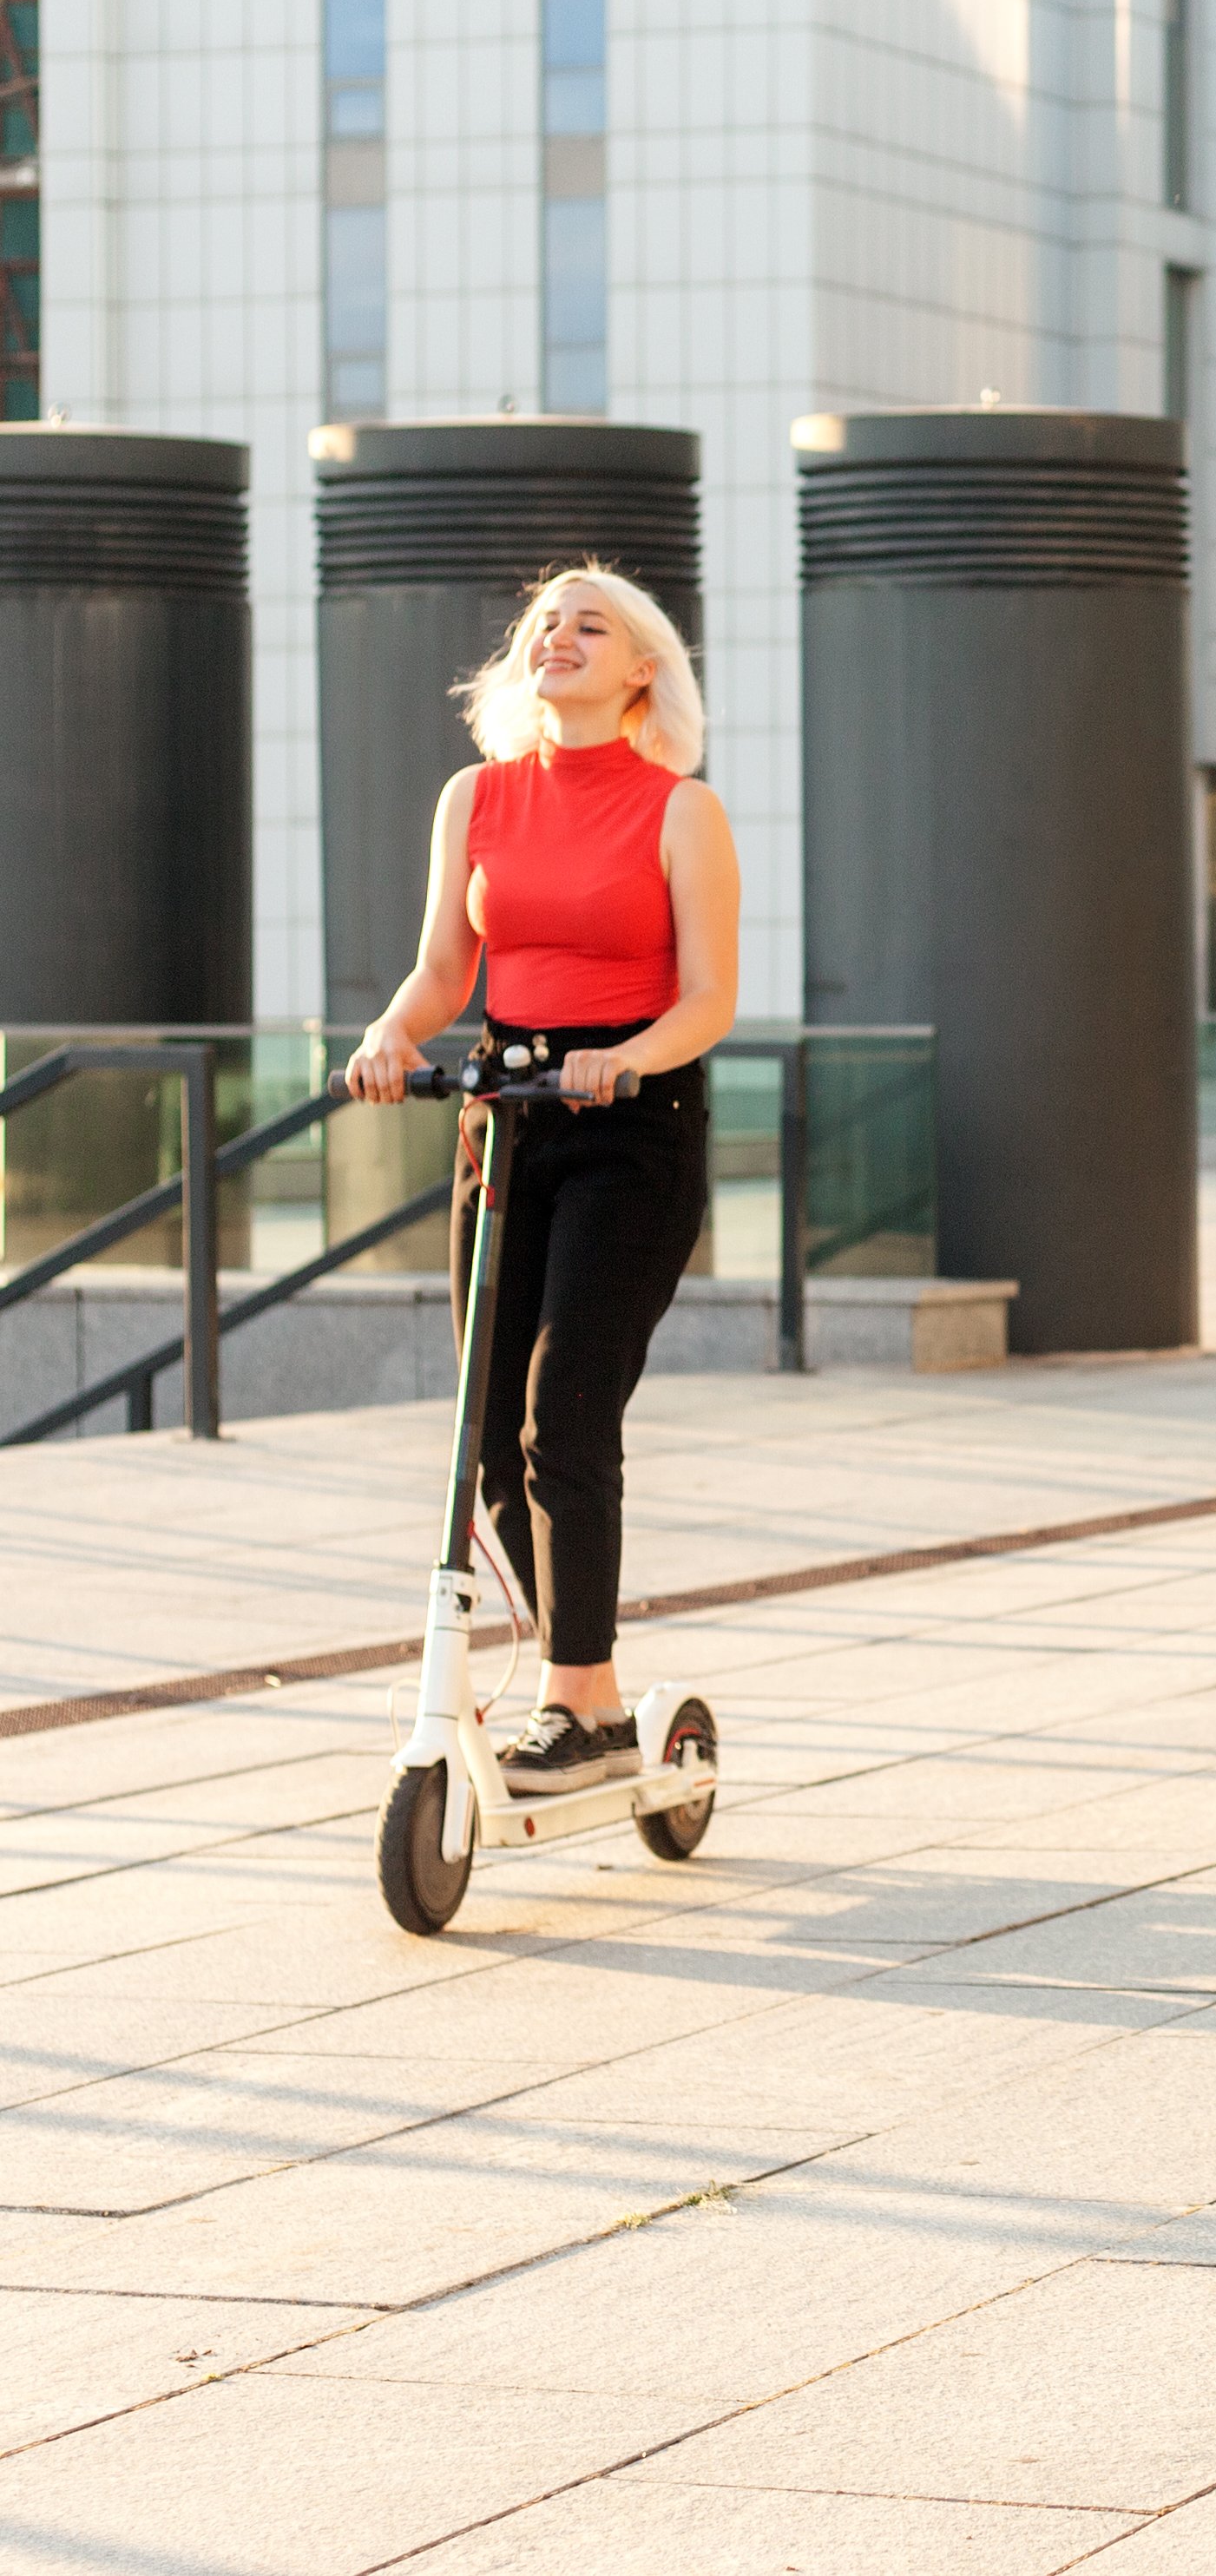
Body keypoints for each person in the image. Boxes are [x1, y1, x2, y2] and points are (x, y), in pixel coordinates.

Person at [343, 567, 739, 1794]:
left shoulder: (682, 811)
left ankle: (579, 1700)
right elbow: (442, 968)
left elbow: (710, 998)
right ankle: (594, 1702)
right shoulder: (476, 798)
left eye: (591, 624)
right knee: (490, 1439)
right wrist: (391, 1034)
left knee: (564, 1404)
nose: (559, 637)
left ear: (640, 669)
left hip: (632, 1124)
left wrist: (621, 1060)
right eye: (543, 626)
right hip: (504, 1119)